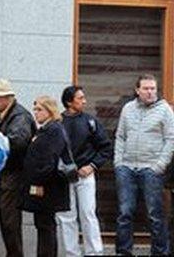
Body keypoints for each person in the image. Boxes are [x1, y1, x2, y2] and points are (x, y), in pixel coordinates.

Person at [114, 74, 174, 255]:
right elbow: (120, 136)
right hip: (127, 168)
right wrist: (118, 162)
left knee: (155, 215)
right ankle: (123, 252)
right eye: (146, 89)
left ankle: (159, 252)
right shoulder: (128, 108)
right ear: (137, 90)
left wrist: (159, 165)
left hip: (151, 169)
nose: (150, 92)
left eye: (153, 89)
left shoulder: (165, 110)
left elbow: (171, 139)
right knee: (125, 213)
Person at [55, 86, 112, 256]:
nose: (84, 101)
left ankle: (94, 252)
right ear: (69, 102)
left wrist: (92, 165)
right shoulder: (58, 123)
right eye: (80, 98)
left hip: (85, 174)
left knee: (88, 213)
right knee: (66, 216)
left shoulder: (90, 122)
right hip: (64, 176)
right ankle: (71, 253)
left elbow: (105, 147)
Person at [0, 79, 35, 256]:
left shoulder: (19, 116)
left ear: (7, 98)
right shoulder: (5, 115)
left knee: (10, 221)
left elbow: (17, 142)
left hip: (14, 175)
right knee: (6, 220)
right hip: (6, 175)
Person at [22, 95, 70, 257]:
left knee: (46, 225)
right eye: (35, 109)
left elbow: (50, 159)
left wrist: (39, 182)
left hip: (48, 186)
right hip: (44, 184)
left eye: (40, 109)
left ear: (50, 111)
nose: (36, 112)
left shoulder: (53, 130)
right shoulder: (45, 129)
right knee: (43, 224)